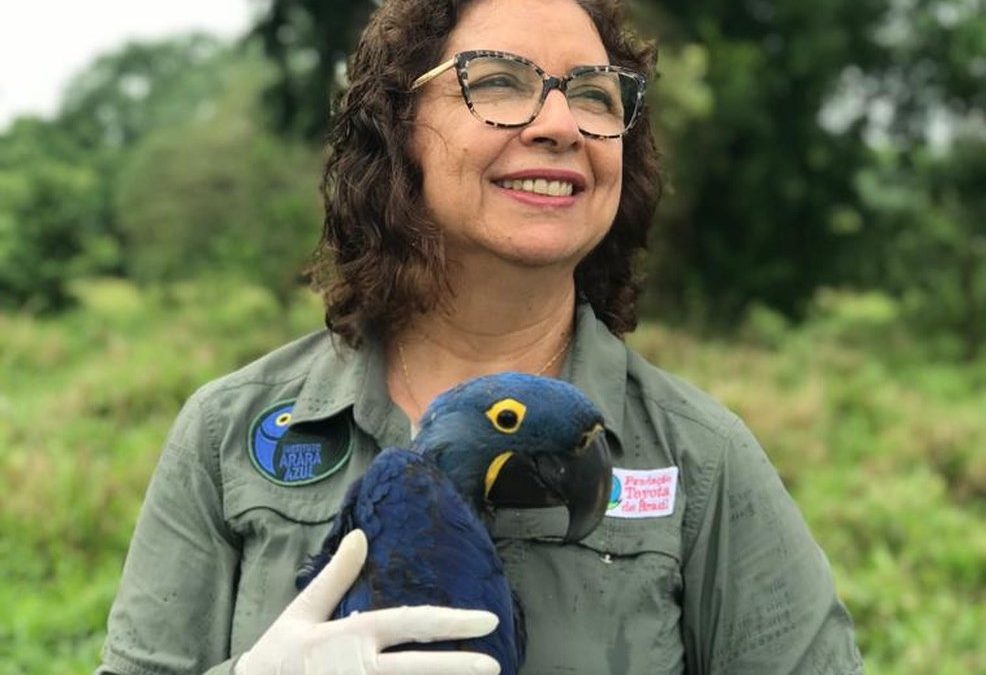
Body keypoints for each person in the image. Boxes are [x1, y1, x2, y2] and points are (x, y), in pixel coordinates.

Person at [96, 0, 865, 673]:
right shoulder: (228, 431)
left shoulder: (700, 455)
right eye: (499, 81)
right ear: (398, 126)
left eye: (594, 95)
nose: (560, 125)